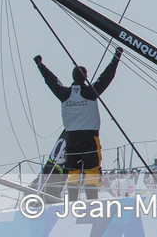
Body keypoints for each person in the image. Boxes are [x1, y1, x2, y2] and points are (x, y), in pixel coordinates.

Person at [35, 47, 122, 198]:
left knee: (74, 172)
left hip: (71, 138)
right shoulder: (90, 93)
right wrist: (116, 57)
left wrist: (40, 65)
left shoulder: (64, 94)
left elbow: (51, 81)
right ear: (85, 77)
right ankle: (92, 201)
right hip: (90, 138)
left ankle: (73, 201)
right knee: (92, 170)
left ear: (73, 77)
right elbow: (107, 77)